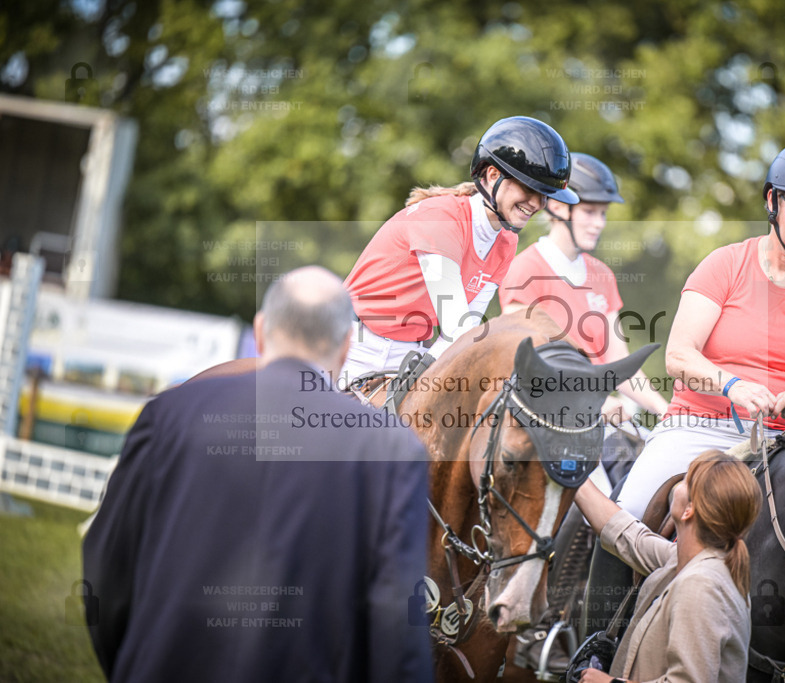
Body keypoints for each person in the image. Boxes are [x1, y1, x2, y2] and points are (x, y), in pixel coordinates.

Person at [82, 267, 433, 683]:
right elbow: (397, 623)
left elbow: (106, 566)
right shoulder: (393, 452)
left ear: (261, 331)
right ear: (346, 347)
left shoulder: (168, 415)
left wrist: (131, 663)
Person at [615, 143, 785, 520]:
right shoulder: (725, 264)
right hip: (699, 427)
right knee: (629, 511)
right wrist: (733, 386)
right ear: (773, 201)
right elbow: (678, 355)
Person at [340, 116, 578, 388]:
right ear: (493, 176)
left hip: (408, 353)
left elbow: (466, 331)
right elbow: (457, 329)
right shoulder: (442, 218)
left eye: (545, 194)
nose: (538, 203)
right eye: (529, 188)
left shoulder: (506, 241)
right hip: (352, 345)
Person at [499, 152, 669, 418]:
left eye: (603, 213)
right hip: (547, 416)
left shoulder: (602, 274)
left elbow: (617, 362)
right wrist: (591, 402)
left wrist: (665, 411)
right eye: (589, 212)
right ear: (558, 207)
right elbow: (522, 361)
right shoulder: (526, 269)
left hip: (595, 413)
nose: (599, 223)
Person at [573, 450, 762, 682]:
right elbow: (630, 537)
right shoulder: (692, 561)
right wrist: (573, 476)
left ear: (689, 510)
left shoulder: (701, 586)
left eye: (685, 481)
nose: (677, 485)